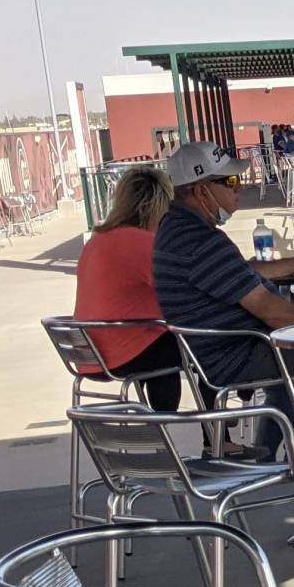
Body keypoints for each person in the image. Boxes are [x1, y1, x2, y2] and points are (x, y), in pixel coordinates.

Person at [150, 140, 294, 469]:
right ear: (200, 192)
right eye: (229, 182)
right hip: (236, 351)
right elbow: (270, 308)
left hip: (222, 347)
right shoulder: (201, 241)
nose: (239, 189)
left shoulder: (177, 229)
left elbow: (240, 272)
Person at [72, 165, 184, 411]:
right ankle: (216, 435)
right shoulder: (140, 241)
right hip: (120, 352)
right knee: (202, 343)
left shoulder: (98, 240)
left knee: (167, 344)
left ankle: (160, 426)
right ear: (157, 205)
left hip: (89, 353)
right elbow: (185, 283)